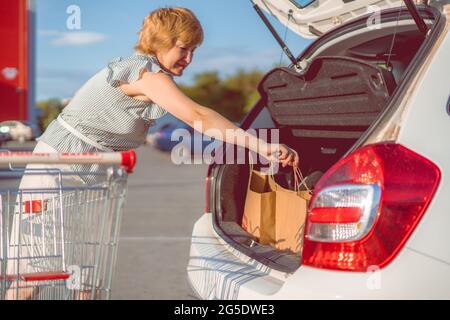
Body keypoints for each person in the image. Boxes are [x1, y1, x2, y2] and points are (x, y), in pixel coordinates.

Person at [6, 7, 299, 299]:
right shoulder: (145, 74)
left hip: (90, 169)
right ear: (160, 42)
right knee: (34, 270)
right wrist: (263, 146)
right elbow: (199, 116)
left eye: (194, 50)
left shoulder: (150, 75)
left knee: (87, 271)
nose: (189, 59)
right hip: (60, 166)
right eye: (183, 48)